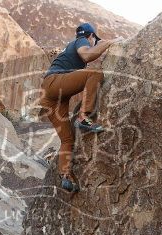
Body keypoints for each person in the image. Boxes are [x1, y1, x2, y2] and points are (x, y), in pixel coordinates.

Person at [39, 22, 120, 192]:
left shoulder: (71, 47)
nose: (93, 43)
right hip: (55, 83)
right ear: (90, 36)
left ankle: (65, 176)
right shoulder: (81, 41)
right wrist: (109, 42)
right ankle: (84, 116)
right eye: (94, 40)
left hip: (50, 97)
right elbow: (86, 56)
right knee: (95, 73)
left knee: (67, 139)